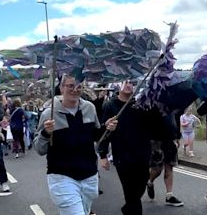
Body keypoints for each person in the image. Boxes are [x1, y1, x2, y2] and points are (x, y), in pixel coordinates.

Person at [33, 75, 117, 215]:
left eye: (79, 86)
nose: (75, 90)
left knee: (84, 211)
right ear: (61, 88)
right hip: (62, 176)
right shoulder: (49, 114)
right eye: (70, 86)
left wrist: (106, 128)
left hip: (89, 175)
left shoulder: (89, 108)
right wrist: (46, 133)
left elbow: (96, 135)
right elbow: (39, 148)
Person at [98, 80, 155, 215]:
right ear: (119, 84)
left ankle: (128, 208)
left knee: (140, 185)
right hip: (122, 155)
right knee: (130, 192)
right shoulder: (110, 105)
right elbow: (105, 131)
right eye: (126, 82)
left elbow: (151, 126)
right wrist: (103, 155)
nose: (129, 85)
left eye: (132, 82)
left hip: (142, 153)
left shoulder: (141, 104)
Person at [146, 112, 184, 207]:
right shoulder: (152, 102)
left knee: (169, 166)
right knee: (157, 169)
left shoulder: (172, 103)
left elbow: (176, 117)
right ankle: (149, 182)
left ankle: (169, 196)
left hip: (170, 139)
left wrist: (177, 136)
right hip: (156, 139)